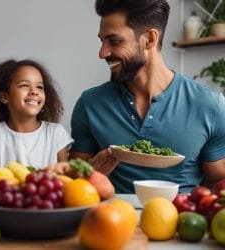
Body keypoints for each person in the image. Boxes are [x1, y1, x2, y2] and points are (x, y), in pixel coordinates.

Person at [70, 0, 225, 193]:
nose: (102, 53)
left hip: (181, 219)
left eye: (114, 41)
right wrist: (92, 172)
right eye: (102, 41)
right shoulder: (90, 104)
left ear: (149, 39)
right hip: (112, 219)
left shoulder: (209, 105)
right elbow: (74, 185)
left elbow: (218, 182)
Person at [0, 59, 73, 170]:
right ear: (4, 97)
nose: (34, 91)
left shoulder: (56, 133)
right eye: (24, 85)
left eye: (39, 87)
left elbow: (66, 179)